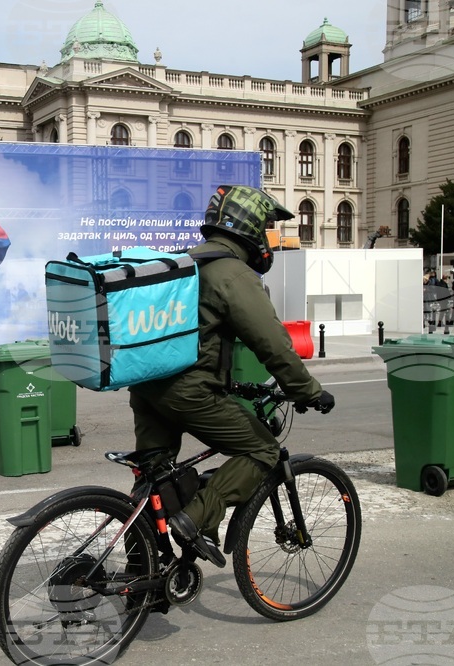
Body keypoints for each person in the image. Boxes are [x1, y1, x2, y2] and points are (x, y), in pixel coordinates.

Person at [127, 184, 334, 567]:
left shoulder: (186, 261)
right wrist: (307, 391)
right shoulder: (232, 274)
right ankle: (196, 517)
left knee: (152, 484)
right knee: (263, 451)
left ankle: (142, 576)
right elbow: (272, 343)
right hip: (188, 392)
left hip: (147, 387)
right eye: (267, 227)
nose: (268, 237)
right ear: (249, 224)